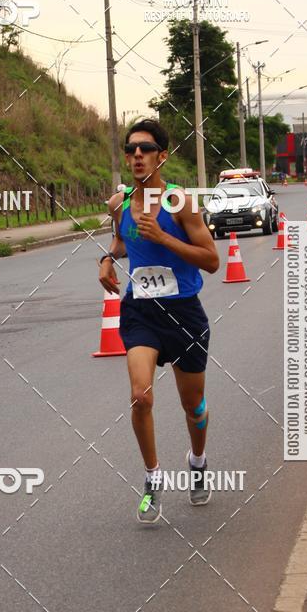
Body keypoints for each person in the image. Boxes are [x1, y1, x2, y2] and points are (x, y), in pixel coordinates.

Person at [98, 119, 219, 524]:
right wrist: (107, 259)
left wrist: (164, 238)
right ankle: (152, 479)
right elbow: (120, 240)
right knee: (141, 395)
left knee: (193, 406)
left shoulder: (179, 204)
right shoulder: (119, 204)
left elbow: (213, 260)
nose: (136, 156)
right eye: (131, 149)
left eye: (145, 149)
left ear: (161, 156)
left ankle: (198, 461)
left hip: (183, 312)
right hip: (141, 311)